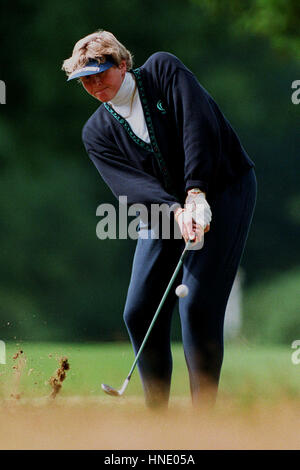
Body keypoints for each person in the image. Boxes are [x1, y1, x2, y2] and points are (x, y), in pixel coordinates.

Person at [62, 30, 256, 408]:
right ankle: (158, 419)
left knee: (197, 304)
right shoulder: (96, 132)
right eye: (84, 79)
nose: (94, 83)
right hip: (165, 209)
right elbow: (131, 187)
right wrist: (177, 211)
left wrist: (197, 191)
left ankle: (204, 414)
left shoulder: (163, 72)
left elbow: (199, 126)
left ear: (122, 64)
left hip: (223, 187)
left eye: (100, 72)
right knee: (137, 311)